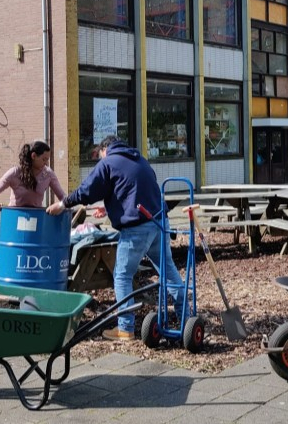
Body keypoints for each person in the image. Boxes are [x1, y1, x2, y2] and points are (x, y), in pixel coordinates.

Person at [46, 135, 184, 342]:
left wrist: (63, 204)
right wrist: (111, 206)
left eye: (100, 155)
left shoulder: (108, 162)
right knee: (168, 270)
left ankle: (125, 328)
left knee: (122, 276)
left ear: (105, 149)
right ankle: (186, 316)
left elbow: (87, 190)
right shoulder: (140, 159)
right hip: (159, 221)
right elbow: (135, 189)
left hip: (137, 227)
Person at [0, 140, 66, 211]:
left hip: (37, 218)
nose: (46, 163)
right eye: (44, 159)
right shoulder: (14, 173)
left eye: (47, 160)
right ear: (33, 156)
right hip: (15, 217)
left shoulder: (48, 174)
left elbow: (63, 196)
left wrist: (61, 206)